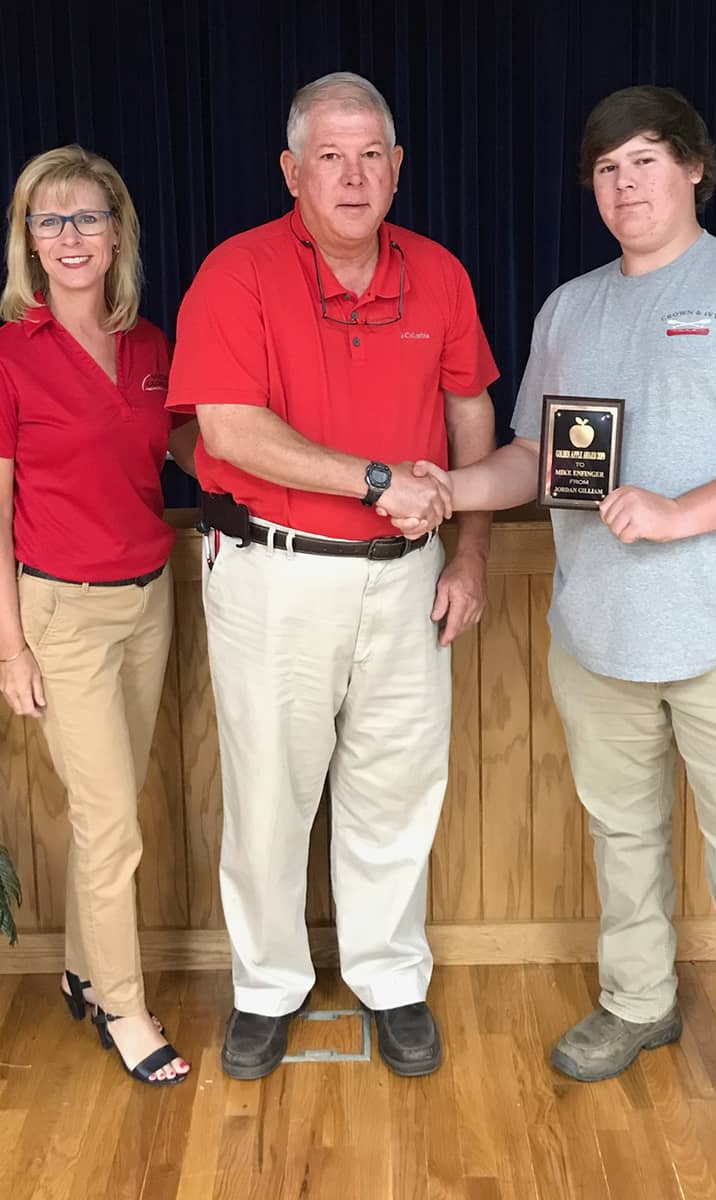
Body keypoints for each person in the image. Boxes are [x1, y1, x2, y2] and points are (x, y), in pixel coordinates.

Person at [415, 86, 716, 1179]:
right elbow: (530, 461)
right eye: (608, 169)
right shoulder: (569, 310)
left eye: (647, 161)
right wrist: (447, 486)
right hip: (597, 640)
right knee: (624, 841)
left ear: (694, 169)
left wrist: (677, 513)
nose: (627, 185)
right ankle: (639, 1003)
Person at [166, 72, 497, 1079]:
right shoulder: (237, 274)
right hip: (274, 575)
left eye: (371, 156)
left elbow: (472, 413)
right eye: (329, 156)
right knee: (268, 793)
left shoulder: (439, 274)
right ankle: (267, 987)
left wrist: (473, 550)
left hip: (409, 578)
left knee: (396, 788)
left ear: (398, 169)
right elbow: (226, 429)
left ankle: (392, 978)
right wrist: (376, 479)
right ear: (292, 171)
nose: (352, 176)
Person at [0, 145, 198, 1086]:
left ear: (117, 234)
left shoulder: (148, 345)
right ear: (29, 238)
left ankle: (76, 965)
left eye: (88, 219)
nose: (72, 237)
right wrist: (9, 644)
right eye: (50, 220)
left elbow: (184, 443)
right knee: (112, 824)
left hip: (151, 603)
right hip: (60, 615)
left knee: (110, 813)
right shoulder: (1, 360)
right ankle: (125, 1008)